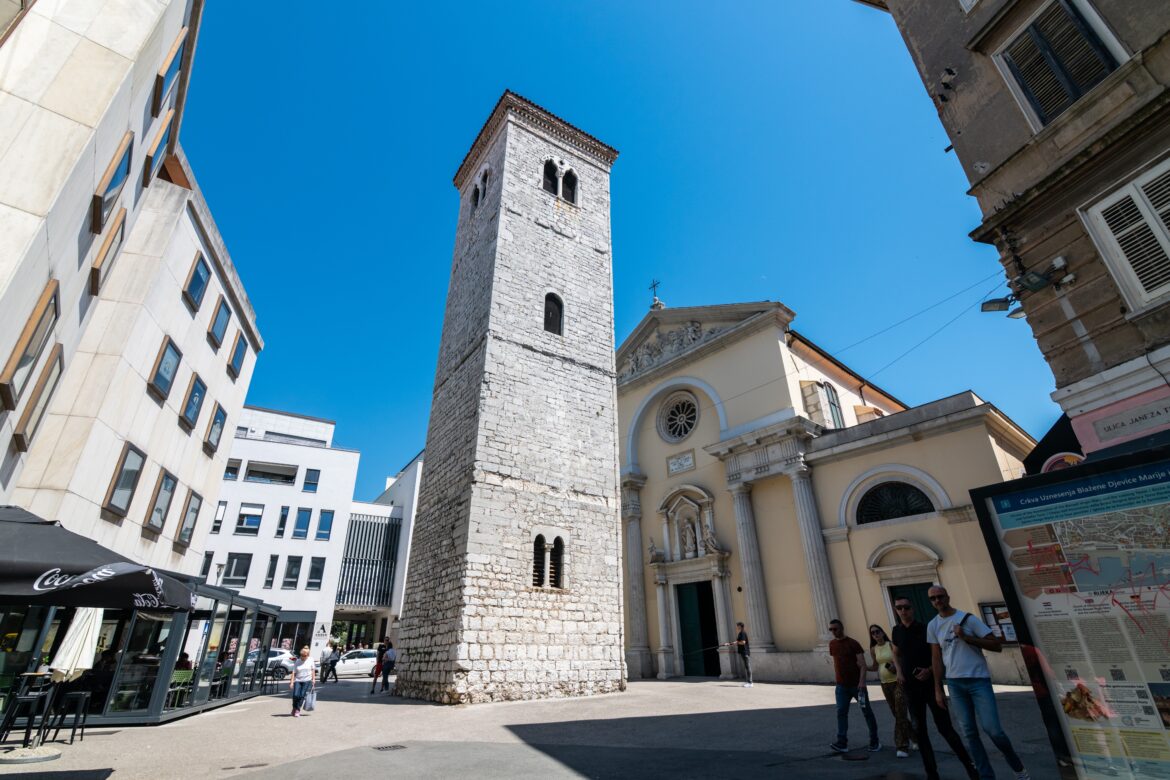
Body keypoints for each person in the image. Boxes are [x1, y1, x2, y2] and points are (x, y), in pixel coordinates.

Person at [928, 586, 1030, 780]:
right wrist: (938, 689)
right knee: (969, 733)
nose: (937, 601)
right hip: (955, 684)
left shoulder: (968, 619)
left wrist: (966, 637)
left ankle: (1017, 766)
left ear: (948, 597)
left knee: (993, 730)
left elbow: (996, 645)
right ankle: (986, 776)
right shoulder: (932, 625)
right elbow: (936, 658)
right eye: (933, 599)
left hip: (978, 681)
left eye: (940, 597)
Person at [892, 596, 978, 780]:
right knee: (919, 730)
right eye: (899, 608)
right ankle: (931, 773)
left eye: (906, 607)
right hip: (910, 688)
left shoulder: (926, 628)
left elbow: (938, 654)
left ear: (912, 608)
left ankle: (971, 768)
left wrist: (930, 670)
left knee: (945, 728)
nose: (903, 611)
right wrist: (899, 671)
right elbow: (896, 652)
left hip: (931, 686)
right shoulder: (896, 631)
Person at [828, 618, 880, 753]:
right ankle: (842, 742)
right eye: (831, 629)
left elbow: (862, 664)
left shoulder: (853, 643)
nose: (833, 632)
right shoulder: (832, 644)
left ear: (842, 628)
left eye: (835, 629)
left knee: (866, 712)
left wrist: (862, 682)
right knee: (841, 713)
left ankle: (874, 741)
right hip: (841, 687)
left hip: (857, 686)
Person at [867, 624, 912, 758]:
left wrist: (896, 668)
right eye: (873, 633)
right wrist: (863, 667)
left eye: (877, 631)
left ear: (882, 632)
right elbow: (876, 666)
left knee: (900, 712)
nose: (875, 634)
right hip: (884, 684)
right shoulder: (873, 649)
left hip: (897, 682)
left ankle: (902, 745)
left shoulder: (891, 645)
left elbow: (901, 660)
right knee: (896, 713)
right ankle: (915, 737)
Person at [721, 622, 752, 687]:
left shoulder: (742, 633)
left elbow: (743, 642)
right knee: (746, 667)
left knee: (747, 667)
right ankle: (748, 682)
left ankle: (750, 683)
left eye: (737, 626)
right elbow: (737, 642)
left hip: (745, 652)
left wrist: (736, 643)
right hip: (743, 652)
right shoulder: (740, 633)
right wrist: (729, 644)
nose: (737, 627)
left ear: (740, 626)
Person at [289, 646, 315, 717]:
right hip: (298, 680)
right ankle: (294, 707)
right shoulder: (298, 661)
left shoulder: (311, 660)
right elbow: (294, 672)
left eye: (304, 656)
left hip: (307, 680)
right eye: (302, 655)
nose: (303, 657)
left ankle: (297, 709)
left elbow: (313, 670)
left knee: (302, 695)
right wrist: (291, 682)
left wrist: (313, 679)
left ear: (308, 655)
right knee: (295, 695)